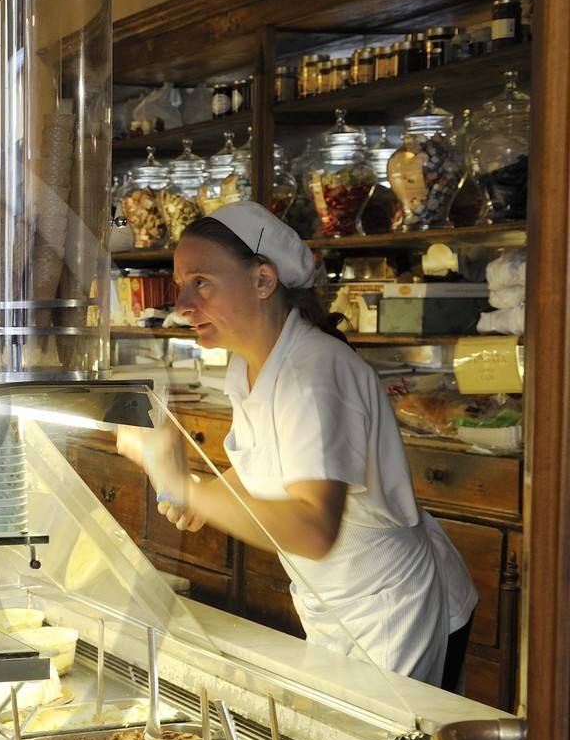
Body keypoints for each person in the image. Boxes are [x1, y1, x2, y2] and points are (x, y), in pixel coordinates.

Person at [117, 201, 476, 690]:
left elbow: (313, 529)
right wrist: (205, 491)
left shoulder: (316, 375)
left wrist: (189, 486)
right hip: (333, 603)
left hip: (392, 610)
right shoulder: (249, 366)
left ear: (264, 281)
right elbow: (265, 462)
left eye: (201, 282)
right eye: (182, 285)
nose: (182, 305)